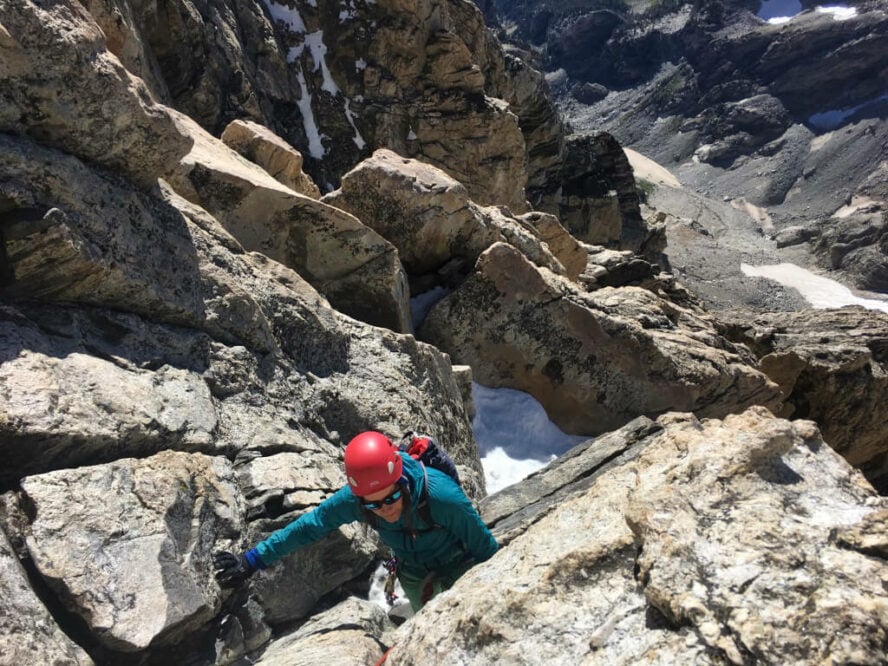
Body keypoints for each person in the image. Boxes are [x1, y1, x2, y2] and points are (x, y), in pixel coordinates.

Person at [214, 431, 498, 611]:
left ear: (401, 481)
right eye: (372, 504)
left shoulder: (441, 497)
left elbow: (486, 548)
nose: (384, 509)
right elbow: (309, 527)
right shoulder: (356, 498)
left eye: (390, 498)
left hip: (459, 563)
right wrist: (252, 560)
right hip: (413, 571)